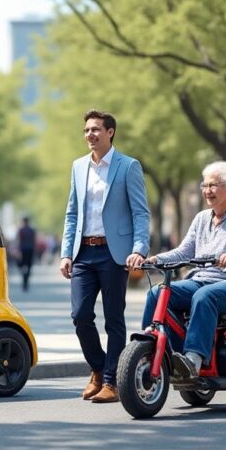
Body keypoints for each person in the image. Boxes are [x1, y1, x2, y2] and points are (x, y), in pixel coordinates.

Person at [140, 161, 226, 380]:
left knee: (204, 297)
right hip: (203, 279)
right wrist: (155, 259)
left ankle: (193, 360)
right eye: (205, 185)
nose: (207, 191)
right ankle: (154, 351)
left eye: (213, 185)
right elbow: (183, 252)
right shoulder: (201, 219)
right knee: (157, 293)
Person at [60, 109, 150, 403]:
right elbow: (72, 212)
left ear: (110, 132)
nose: (90, 135)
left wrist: (138, 249)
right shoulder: (78, 167)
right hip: (84, 252)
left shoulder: (128, 166)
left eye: (96, 129)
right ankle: (98, 369)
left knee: (114, 319)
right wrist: (66, 252)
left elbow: (140, 212)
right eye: (87, 130)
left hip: (115, 255)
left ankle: (111, 381)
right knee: (80, 315)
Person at [17, 217, 37, 292]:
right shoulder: (32, 230)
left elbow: (19, 241)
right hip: (30, 249)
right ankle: (26, 281)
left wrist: (19, 251)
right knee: (29, 266)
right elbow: (34, 241)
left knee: (22, 266)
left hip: (23, 250)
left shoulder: (21, 230)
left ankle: (24, 280)